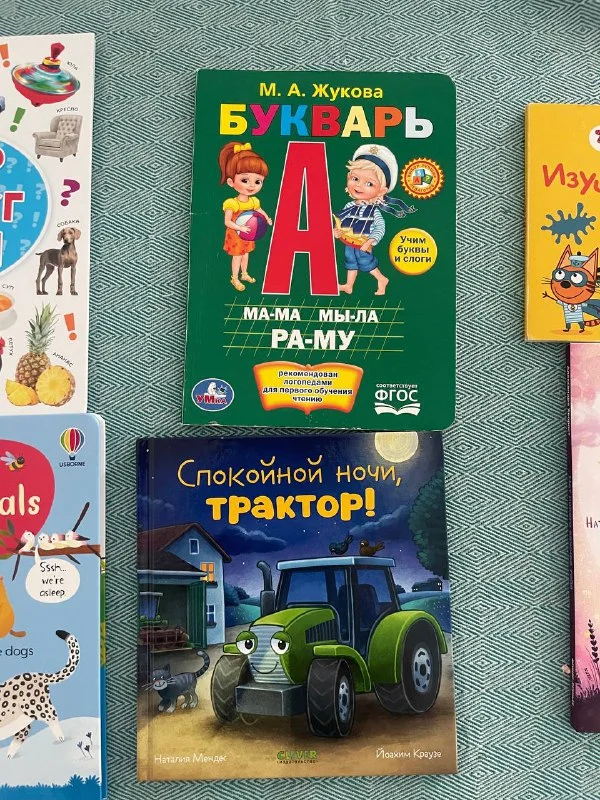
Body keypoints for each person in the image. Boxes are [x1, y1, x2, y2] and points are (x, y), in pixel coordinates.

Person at [334, 144, 413, 296]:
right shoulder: (349, 205)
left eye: (369, 183)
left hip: (363, 243)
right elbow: (341, 221)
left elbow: (380, 227)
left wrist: (370, 241)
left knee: (366, 263)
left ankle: (381, 279)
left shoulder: (374, 211)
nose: (359, 186)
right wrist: (336, 231)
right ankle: (349, 285)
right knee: (350, 262)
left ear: (381, 191)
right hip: (348, 241)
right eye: (355, 178)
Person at [218, 142, 272, 291]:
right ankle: (234, 278)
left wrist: (266, 218)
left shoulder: (254, 201)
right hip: (236, 235)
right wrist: (240, 227)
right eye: (245, 180)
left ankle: (244, 274)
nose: (251, 185)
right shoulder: (232, 203)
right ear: (231, 182)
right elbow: (227, 221)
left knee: (246, 254)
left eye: (258, 181)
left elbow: (259, 210)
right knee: (237, 256)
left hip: (249, 233)